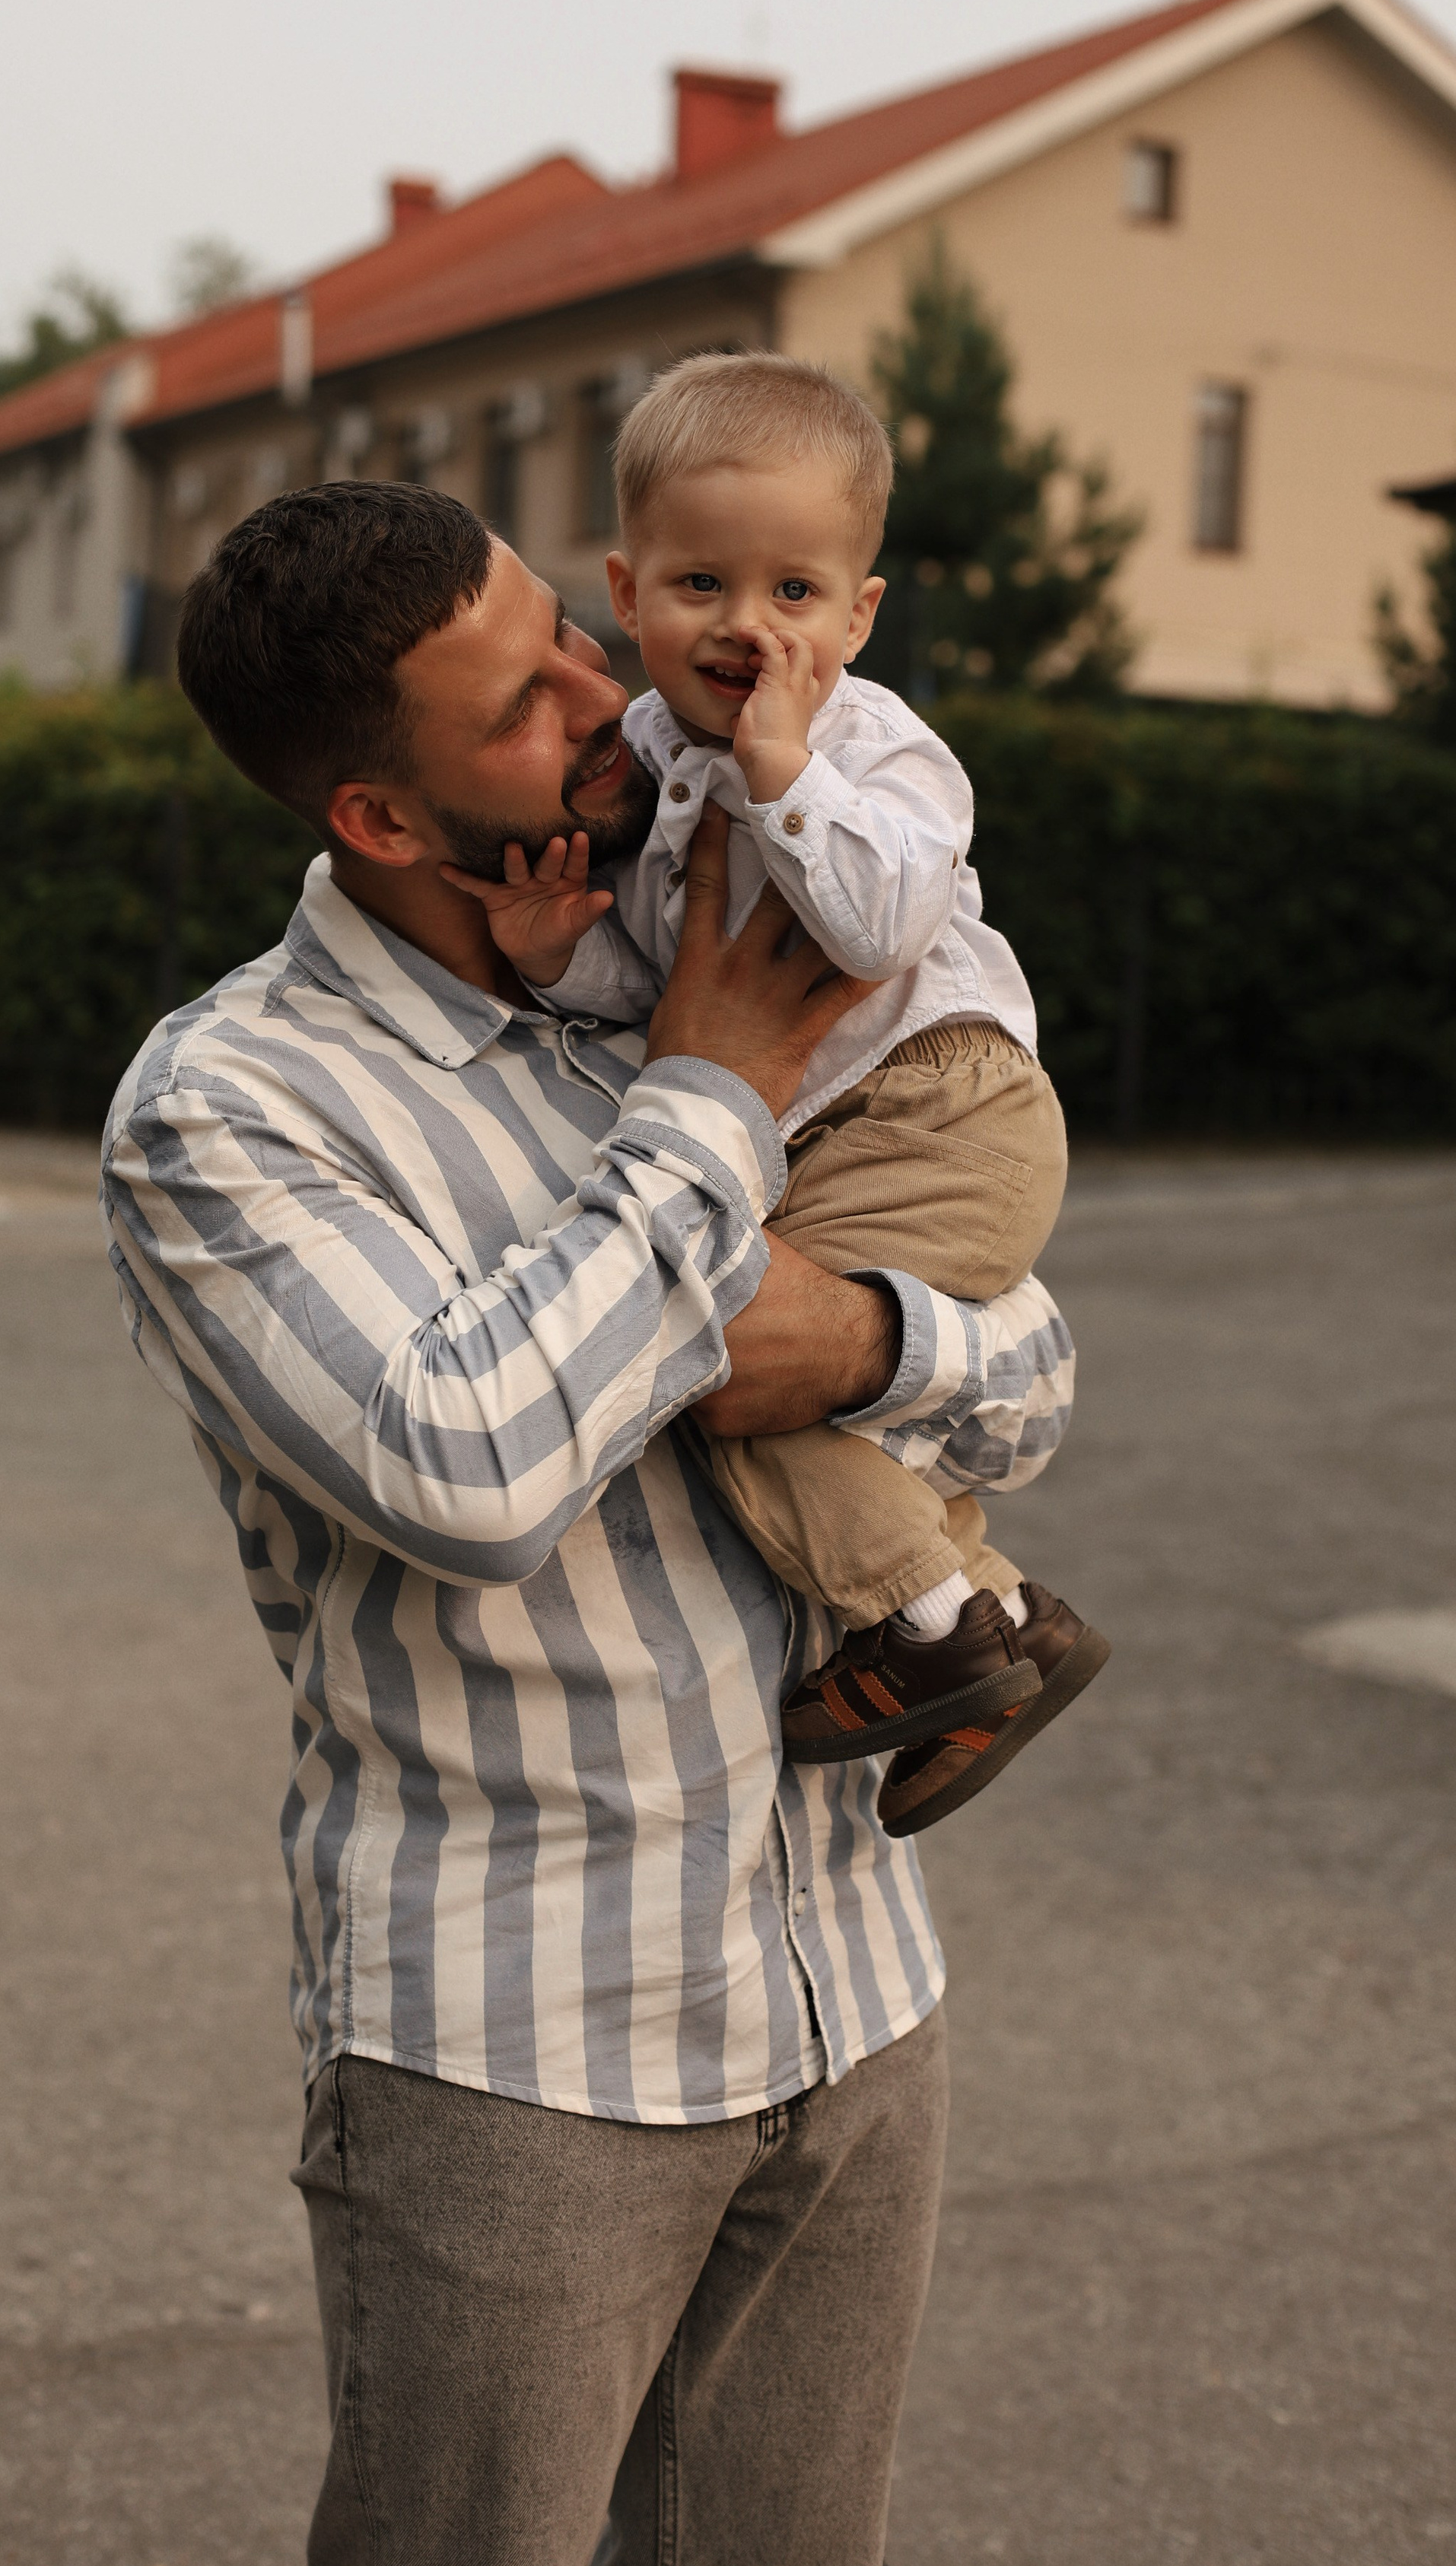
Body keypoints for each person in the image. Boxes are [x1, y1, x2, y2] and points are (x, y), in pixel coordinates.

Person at [101, 482, 1076, 2566]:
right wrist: (719, 1099)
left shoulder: (681, 934)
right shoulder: (234, 1108)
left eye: (573, 632)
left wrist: (886, 1341)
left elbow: (1025, 1381)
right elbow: (467, 1461)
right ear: (376, 805)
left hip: (849, 1978)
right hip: (515, 2042)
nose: (614, 695)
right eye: (529, 699)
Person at [443, 352, 1106, 1838]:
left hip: (947, 1103)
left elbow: (871, 927)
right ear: (626, 592)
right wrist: (563, 958)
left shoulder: (872, 750)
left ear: (857, 613)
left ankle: (932, 1627)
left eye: (793, 593)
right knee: (742, 1356)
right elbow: (674, 996)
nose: (747, 626)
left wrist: (785, 770)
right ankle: (998, 1623)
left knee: (731, 1359)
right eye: (699, 585)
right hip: (849, 1115)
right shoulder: (655, 758)